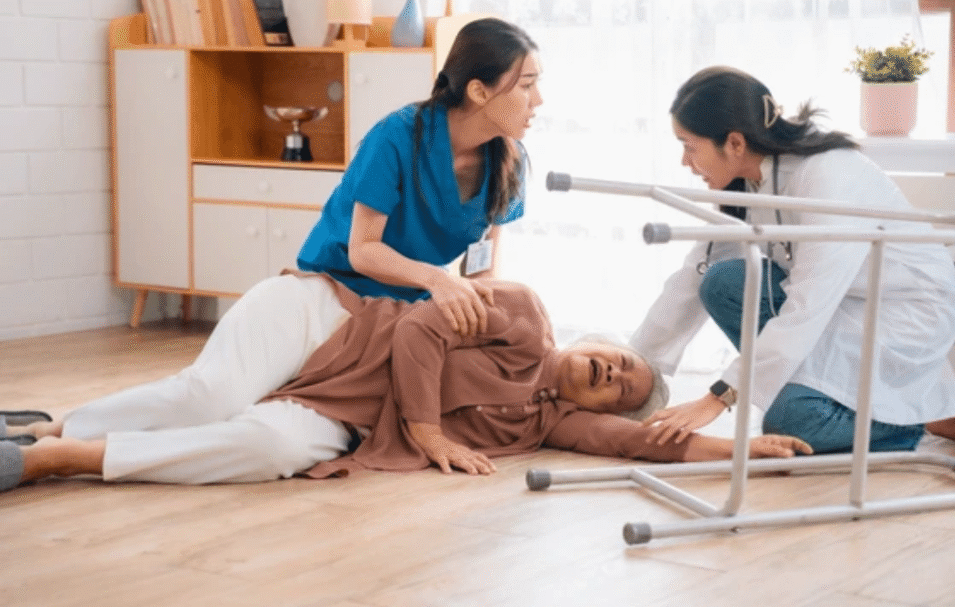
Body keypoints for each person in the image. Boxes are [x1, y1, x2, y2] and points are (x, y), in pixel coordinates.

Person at [0, 273, 812, 493]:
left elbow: (641, 443)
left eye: (619, 387)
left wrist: (744, 447)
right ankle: (53, 426)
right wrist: (426, 430)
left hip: (343, 412)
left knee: (269, 448)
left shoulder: (544, 424)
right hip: (327, 323)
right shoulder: (527, 314)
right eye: (619, 360)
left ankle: (59, 457)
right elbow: (423, 326)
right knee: (208, 394)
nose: (613, 374)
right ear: (599, 340)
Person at [631, 66, 955, 458]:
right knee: (722, 282)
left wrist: (720, 396)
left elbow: (808, 303)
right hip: (839, 304)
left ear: (734, 143)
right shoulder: (745, 182)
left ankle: (929, 419)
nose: (684, 161)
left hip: (906, 312)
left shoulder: (827, 173)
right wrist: (636, 367)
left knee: (790, 424)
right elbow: (690, 279)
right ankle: (891, 403)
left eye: (689, 146)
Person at [297, 17, 543, 339]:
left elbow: (481, 270)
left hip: (418, 293)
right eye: (526, 86)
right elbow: (363, 250)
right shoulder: (396, 137)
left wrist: (481, 316)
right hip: (342, 282)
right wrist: (438, 280)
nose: (538, 100)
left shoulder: (510, 162)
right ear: (479, 91)